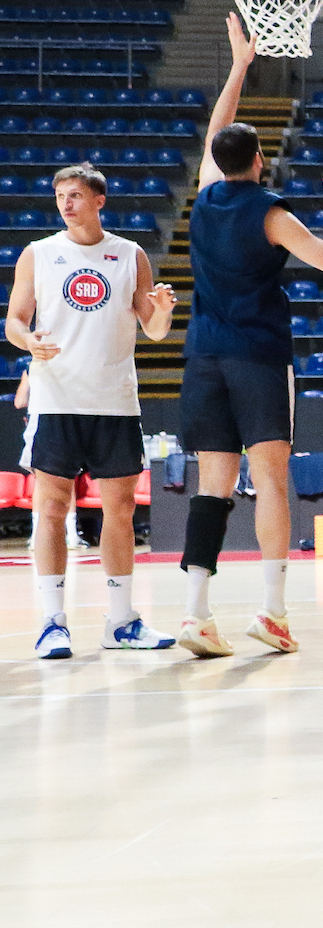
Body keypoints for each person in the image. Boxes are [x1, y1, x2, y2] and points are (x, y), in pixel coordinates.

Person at [176, 13, 323, 658]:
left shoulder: (202, 197)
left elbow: (216, 135)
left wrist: (239, 65)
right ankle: (273, 611)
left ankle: (196, 611)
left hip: (202, 355)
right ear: (258, 159)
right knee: (272, 481)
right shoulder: (272, 214)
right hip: (257, 355)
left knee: (211, 485)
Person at [8, 162, 177, 656]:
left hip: (114, 401)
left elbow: (154, 329)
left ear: (99, 201)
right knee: (51, 508)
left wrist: (163, 311)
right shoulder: (38, 254)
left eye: (76, 194)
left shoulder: (130, 254)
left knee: (119, 511)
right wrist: (28, 341)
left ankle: (121, 620)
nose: (66, 202)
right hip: (56, 399)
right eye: (60, 194)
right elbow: (14, 321)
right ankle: (52, 623)